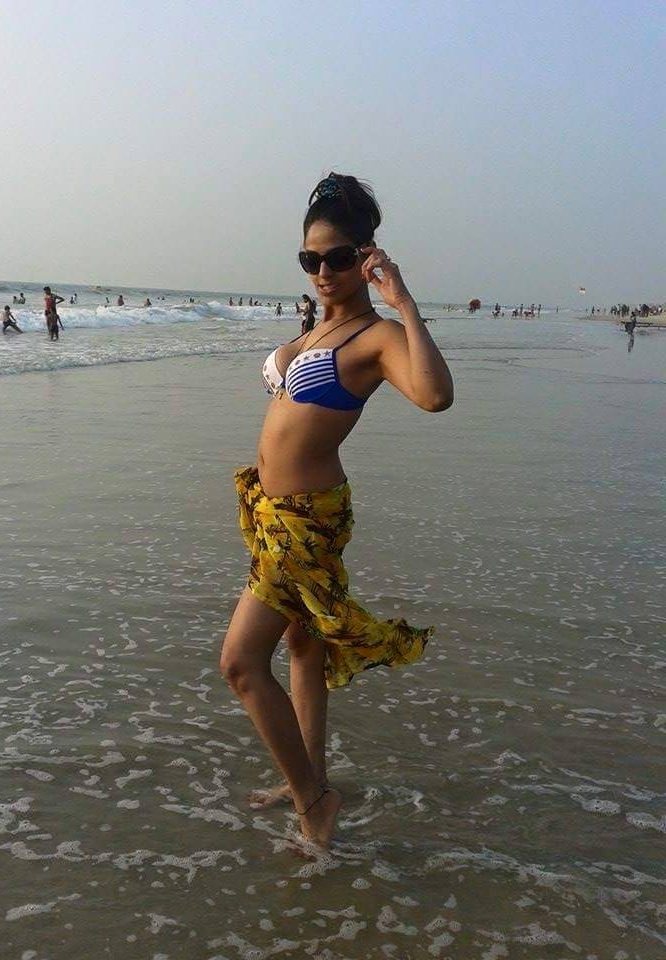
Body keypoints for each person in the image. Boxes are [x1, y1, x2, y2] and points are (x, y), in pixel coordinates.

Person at [219, 172, 453, 850]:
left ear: (367, 256)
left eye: (339, 257)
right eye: (311, 259)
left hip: (306, 521)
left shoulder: (376, 337)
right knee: (302, 645)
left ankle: (314, 802)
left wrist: (404, 302)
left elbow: (435, 395)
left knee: (240, 663)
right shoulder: (321, 327)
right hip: (274, 511)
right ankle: (309, 778)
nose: (323, 271)